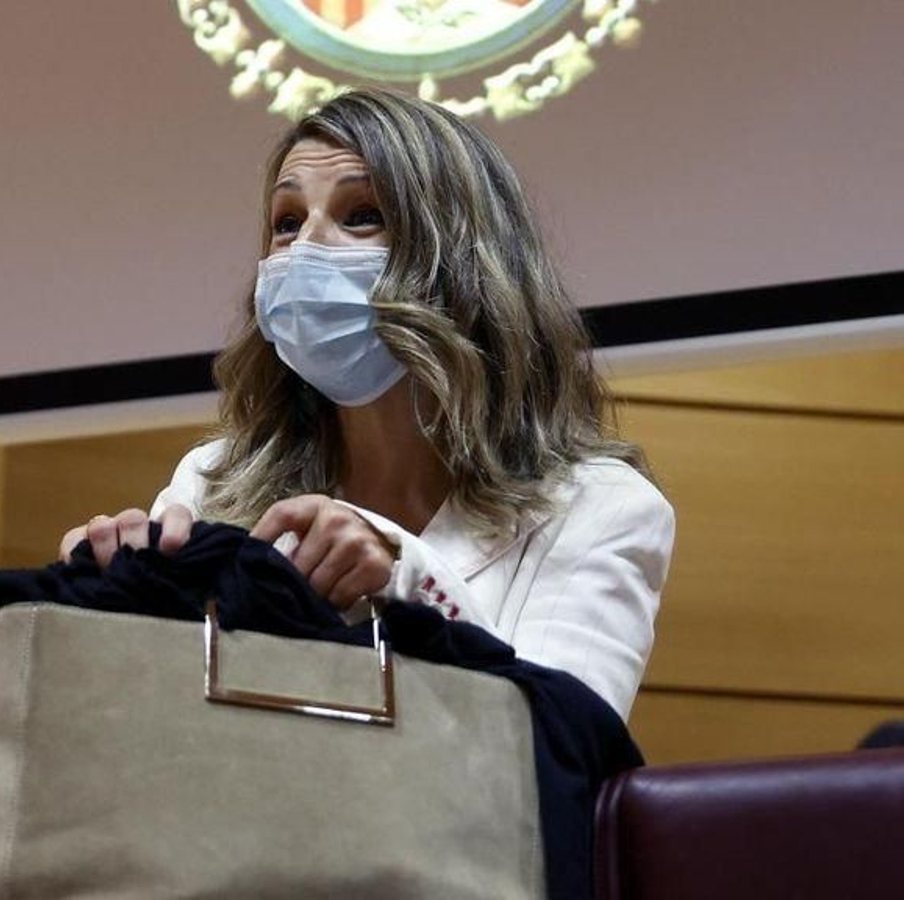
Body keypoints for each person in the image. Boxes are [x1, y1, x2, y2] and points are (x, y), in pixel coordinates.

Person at [58, 88, 674, 720]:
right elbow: (164, 724)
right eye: (287, 222)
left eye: (360, 215)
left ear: (461, 264)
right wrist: (110, 604)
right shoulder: (214, 481)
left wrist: (406, 582)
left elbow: (563, 747)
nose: (304, 251)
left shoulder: (602, 507)